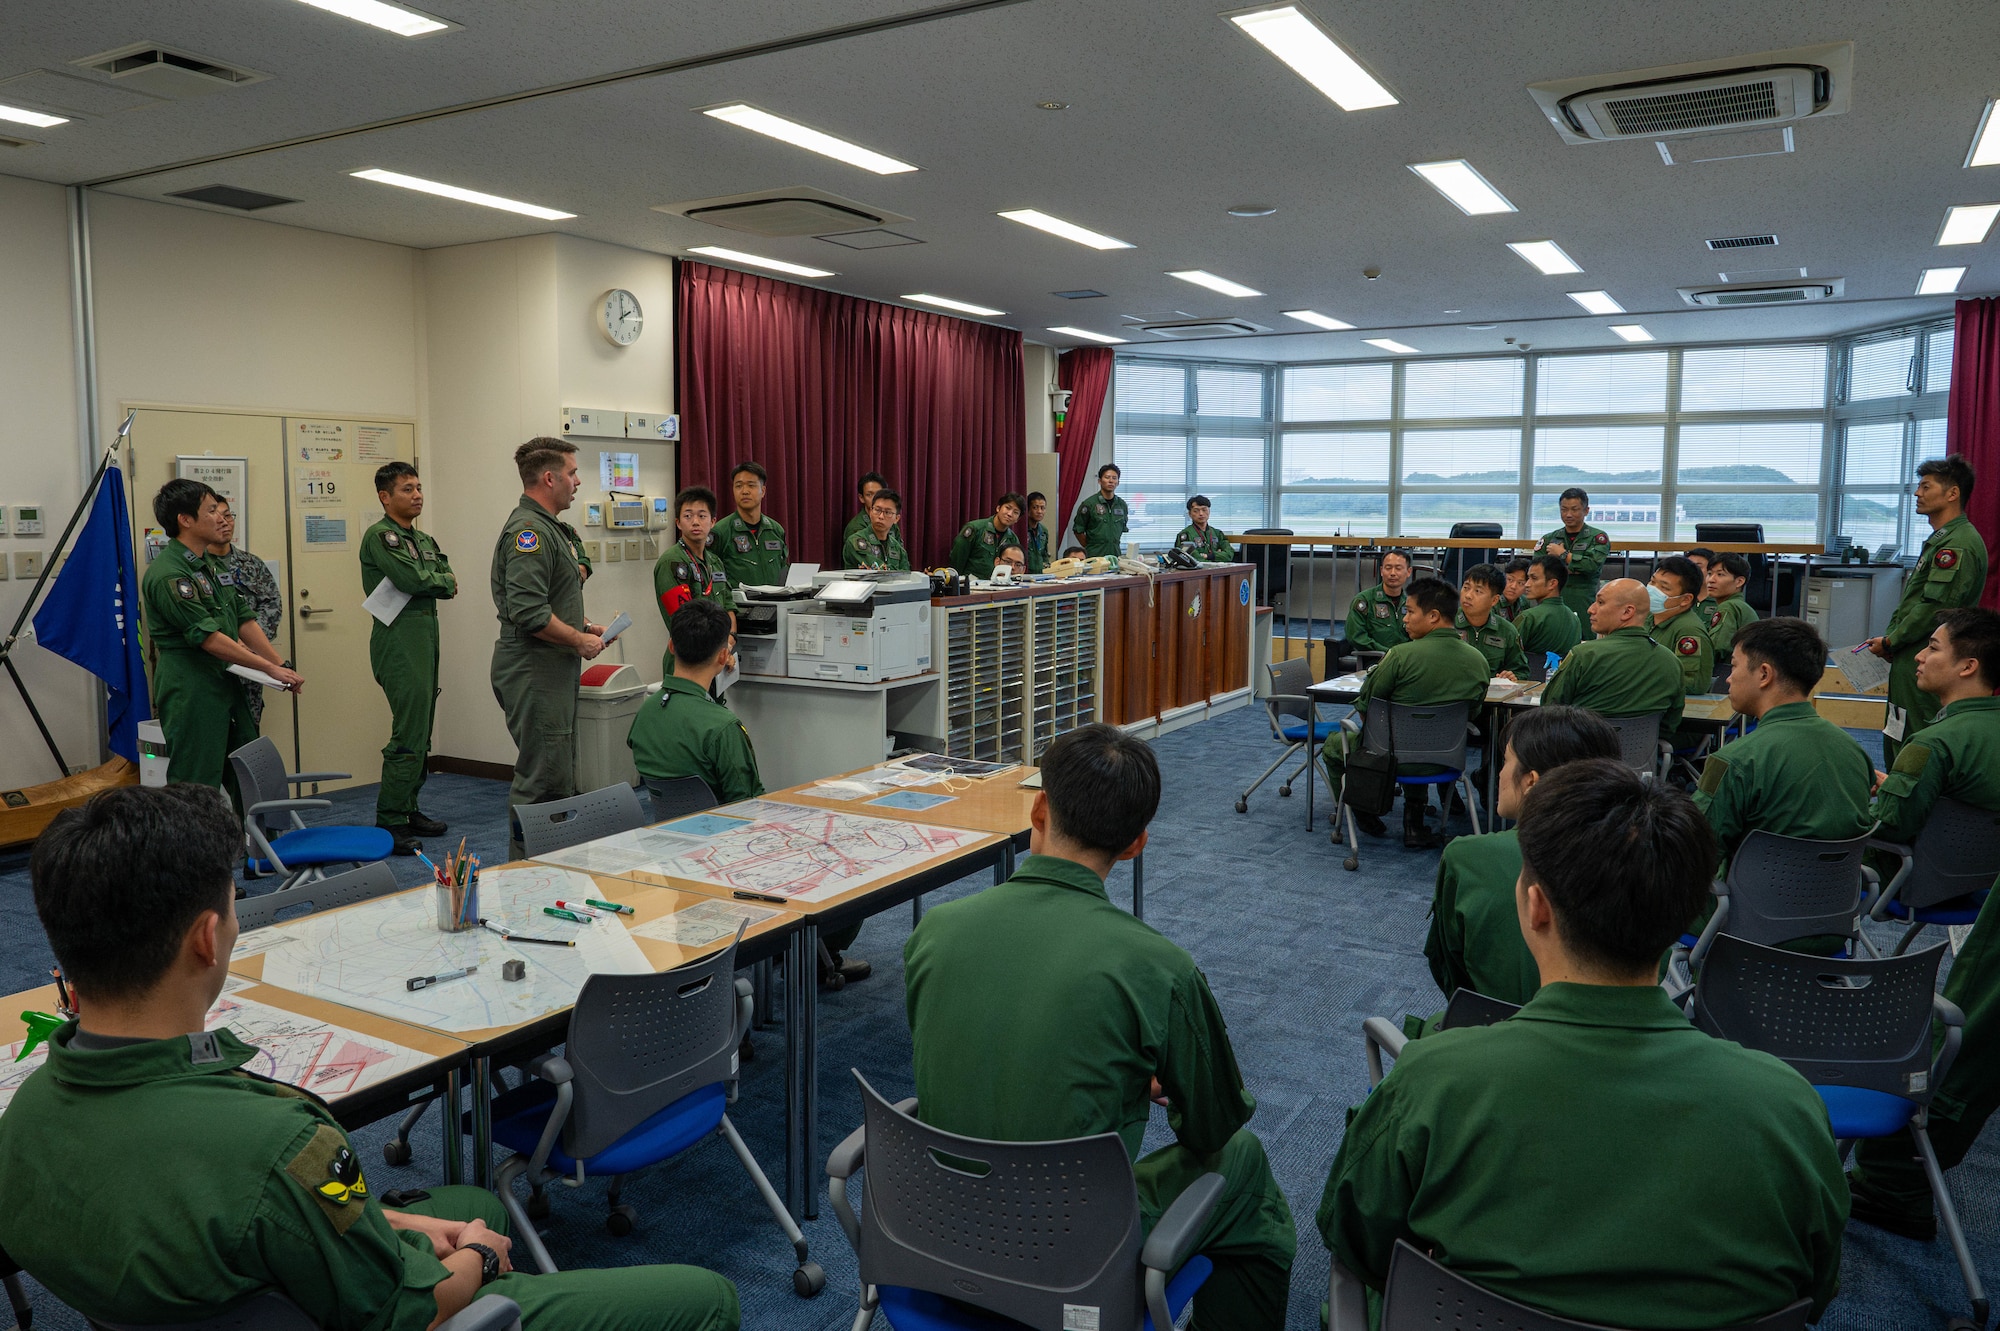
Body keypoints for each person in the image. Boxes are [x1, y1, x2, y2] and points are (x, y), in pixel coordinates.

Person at [0, 783, 740, 1331]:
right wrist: (477, 1259)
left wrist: (423, 1230)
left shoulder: (23, 1116)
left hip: (225, 1287)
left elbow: (288, 1213)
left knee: (475, 1205)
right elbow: (398, 1310)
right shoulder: (284, 1145)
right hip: (370, 1313)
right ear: (205, 937)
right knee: (710, 1300)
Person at [1320, 761, 1848, 1327]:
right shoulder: (1787, 1109)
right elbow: (1814, 1289)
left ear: (1536, 907)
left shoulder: (1432, 1083)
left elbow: (1357, 1241)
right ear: (1682, 919)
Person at [904, 725, 1296, 1331]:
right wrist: (1141, 1080)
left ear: (1038, 808)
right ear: (1138, 844)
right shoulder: (1159, 969)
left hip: (932, 1237)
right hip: (1069, 1264)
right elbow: (1213, 1125)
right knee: (1242, 1164)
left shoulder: (935, 931)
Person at [1848, 607, 2000, 1240]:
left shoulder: (1934, 742)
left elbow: (1888, 830)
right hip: (1977, 889)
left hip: (1915, 892)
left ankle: (1889, 1181)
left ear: (1968, 665)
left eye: (1933, 648)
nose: (1919, 656)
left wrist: (1878, 794)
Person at [1420, 706, 1621, 1025]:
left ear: (1531, 781)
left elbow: (1448, 967)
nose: (1499, 774)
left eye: (1505, 761)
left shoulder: (1469, 858)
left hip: (1494, 1036)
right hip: (1619, 1044)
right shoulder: (1640, 855)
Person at [141, 479, 302, 793]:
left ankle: (256, 843)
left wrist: (279, 665)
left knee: (248, 776)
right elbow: (208, 637)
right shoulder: (169, 573)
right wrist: (267, 669)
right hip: (192, 686)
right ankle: (195, 844)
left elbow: (243, 618)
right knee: (196, 783)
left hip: (225, 681)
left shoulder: (209, 566)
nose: (221, 518)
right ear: (185, 520)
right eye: (211, 510)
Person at [492, 438, 606, 860]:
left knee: (557, 774)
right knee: (541, 778)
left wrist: (582, 626)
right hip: (534, 668)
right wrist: (578, 640)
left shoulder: (549, 526)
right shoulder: (529, 532)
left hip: (549, 666)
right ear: (549, 477)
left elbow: (549, 599)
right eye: (573, 473)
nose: (578, 482)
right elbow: (527, 611)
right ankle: (523, 875)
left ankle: (552, 865)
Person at [1691, 617, 1874, 871]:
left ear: (1764, 674)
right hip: (1835, 905)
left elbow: (1693, 854)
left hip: (1747, 906)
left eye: (1734, 667)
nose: (1729, 679)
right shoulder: (1855, 753)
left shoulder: (1736, 760)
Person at [1321, 577, 1490, 844]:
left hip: (1393, 759)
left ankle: (1362, 810)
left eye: (1410, 612)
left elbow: (1366, 706)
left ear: (1433, 616)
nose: (1404, 620)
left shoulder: (1399, 656)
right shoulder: (1479, 661)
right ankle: (1414, 823)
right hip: (1447, 759)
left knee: (1333, 746)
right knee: (1416, 739)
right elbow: (1473, 712)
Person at [1863, 454, 1989, 765]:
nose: (1917, 493)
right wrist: (1895, 640)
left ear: (1952, 493)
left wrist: (1892, 641)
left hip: (1929, 655)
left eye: (1925, 486)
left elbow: (1934, 609)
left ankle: (1907, 806)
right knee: (1898, 728)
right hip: (1912, 651)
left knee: (1917, 737)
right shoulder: (1942, 540)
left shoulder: (1955, 546)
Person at [359, 462, 456, 855]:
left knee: (421, 730)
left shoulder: (424, 538)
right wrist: (439, 581)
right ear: (385, 496)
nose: (417, 495)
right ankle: (391, 819)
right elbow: (416, 580)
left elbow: (446, 575)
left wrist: (439, 581)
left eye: (418, 487)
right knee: (408, 733)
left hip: (425, 632)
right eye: (406, 489)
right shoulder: (381, 536)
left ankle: (410, 806)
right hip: (399, 637)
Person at [628, 600, 761, 807]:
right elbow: (748, 803)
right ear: (723, 656)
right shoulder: (723, 727)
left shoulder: (644, 713)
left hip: (664, 830)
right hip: (721, 834)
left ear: (671, 646)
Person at [1540, 579, 1684, 738]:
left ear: (1627, 612)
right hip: (1642, 759)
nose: (1590, 609)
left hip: (1581, 756)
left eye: (1600, 602)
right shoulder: (1671, 661)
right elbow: (1670, 725)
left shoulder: (1584, 655)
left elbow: (1549, 710)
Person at [207, 497, 284, 731]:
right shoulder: (196, 566)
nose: (225, 523)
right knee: (213, 731)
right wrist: (230, 641)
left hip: (250, 665)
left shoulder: (251, 563)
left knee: (247, 729)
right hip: (211, 664)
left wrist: (250, 641)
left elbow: (271, 603)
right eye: (218, 517)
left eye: (228, 516)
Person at [655, 486, 737, 679]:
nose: (695, 522)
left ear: (713, 521)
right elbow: (684, 622)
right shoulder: (672, 562)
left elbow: (728, 607)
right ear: (678, 523)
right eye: (688, 516)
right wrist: (720, 650)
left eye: (702, 516)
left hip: (717, 659)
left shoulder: (715, 562)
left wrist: (727, 645)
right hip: (687, 661)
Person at [1532, 488, 1611, 642]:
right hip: (1553, 600)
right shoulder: (1550, 538)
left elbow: (1591, 565)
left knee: (1583, 643)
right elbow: (1538, 569)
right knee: (1551, 642)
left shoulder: (1597, 537)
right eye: (1564, 509)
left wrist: (1563, 555)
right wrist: (1575, 566)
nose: (1568, 514)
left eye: (1574, 509)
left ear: (1586, 510)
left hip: (1583, 600)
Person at [710, 462, 789, 590]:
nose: (745, 491)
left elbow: (783, 568)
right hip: (739, 606)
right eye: (739, 486)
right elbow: (711, 575)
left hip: (775, 603)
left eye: (751, 486)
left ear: (762, 491)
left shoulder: (775, 530)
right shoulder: (721, 531)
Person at [1648, 555, 1714, 698]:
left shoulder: (1689, 631)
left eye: (1664, 588)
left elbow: (1693, 684)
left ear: (1685, 599)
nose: (1653, 590)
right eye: (1652, 582)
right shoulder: (1646, 617)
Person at [1334, 549, 1414, 660]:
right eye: (1388, 568)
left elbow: (1417, 636)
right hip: (1376, 661)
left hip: (1405, 661)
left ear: (1408, 572)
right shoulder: (1364, 600)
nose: (1392, 573)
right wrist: (1388, 653)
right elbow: (1356, 637)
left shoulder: (1412, 603)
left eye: (1398, 568)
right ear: (1381, 571)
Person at [1454, 563, 1527, 678]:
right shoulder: (1445, 623)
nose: (1468, 595)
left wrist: (1512, 677)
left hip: (1491, 692)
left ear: (1494, 600)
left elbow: (1521, 671)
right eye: (1466, 588)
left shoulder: (1506, 631)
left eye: (1478, 591)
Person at [1512, 554, 1580, 664]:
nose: (1527, 584)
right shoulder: (1574, 619)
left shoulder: (1529, 617)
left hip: (1527, 678)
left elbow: (1507, 655)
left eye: (1534, 578)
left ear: (1552, 583)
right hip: (1561, 678)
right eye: (1527, 578)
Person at [948, 493, 1025, 580]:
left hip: (999, 586)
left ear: (1018, 519)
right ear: (998, 508)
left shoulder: (1013, 539)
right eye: (1008, 508)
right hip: (971, 585)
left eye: (1016, 512)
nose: (1010, 514)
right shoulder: (975, 529)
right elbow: (957, 560)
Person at [1702, 553, 1757, 658]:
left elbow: (1718, 648)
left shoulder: (1728, 607)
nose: (1711, 580)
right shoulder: (1740, 606)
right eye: (1709, 573)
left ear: (1739, 581)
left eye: (1720, 574)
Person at [843, 488, 912, 571]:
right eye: (877, 510)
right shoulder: (856, 541)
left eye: (887, 512)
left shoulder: (898, 548)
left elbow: (906, 576)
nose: (881, 516)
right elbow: (878, 572)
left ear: (896, 519)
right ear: (871, 512)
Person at [1071, 463, 1129, 558]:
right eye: (1107, 477)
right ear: (1099, 481)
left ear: (1118, 482)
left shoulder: (1121, 505)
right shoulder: (1089, 504)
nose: (1111, 481)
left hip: (1115, 555)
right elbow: (1078, 530)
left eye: (1114, 478)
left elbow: (1121, 530)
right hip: (1095, 555)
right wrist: (1091, 547)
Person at [1175, 494, 1236, 562]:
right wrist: (1218, 556)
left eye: (1204, 510)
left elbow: (1229, 554)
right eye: (1196, 511)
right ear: (1190, 514)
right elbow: (1193, 558)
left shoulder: (1217, 533)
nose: (1201, 513)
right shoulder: (1185, 535)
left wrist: (1209, 556)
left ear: (1209, 511)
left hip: (1219, 570)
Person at [840, 472, 889, 548]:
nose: (874, 499)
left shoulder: (890, 521)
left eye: (879, 494)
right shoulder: (856, 528)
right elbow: (864, 559)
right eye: (869, 494)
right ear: (861, 498)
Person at [1018, 491, 1051, 573]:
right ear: (1028, 509)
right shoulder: (1020, 529)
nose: (1039, 511)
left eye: (1042, 508)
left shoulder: (1043, 531)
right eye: (1035, 507)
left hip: (1040, 574)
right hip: (1024, 573)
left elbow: (1044, 555)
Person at [1685, 547, 1719, 625]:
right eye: (1688, 567)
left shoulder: (1720, 600)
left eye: (1698, 567)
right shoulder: (1680, 599)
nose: (1692, 571)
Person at [1498, 557, 1533, 623]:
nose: (1513, 586)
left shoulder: (1525, 602)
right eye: (1510, 579)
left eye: (1520, 583)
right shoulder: (1492, 601)